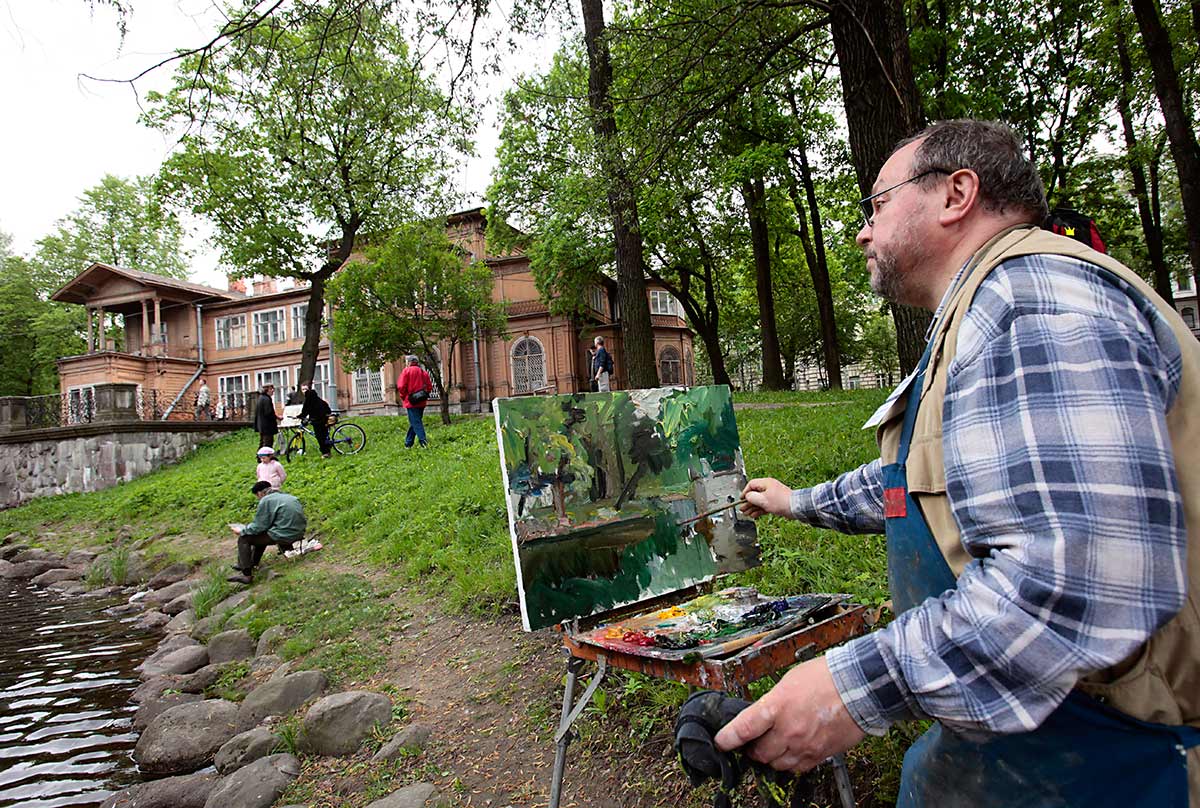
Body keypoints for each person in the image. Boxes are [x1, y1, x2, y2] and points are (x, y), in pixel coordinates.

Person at [715, 120, 1200, 806]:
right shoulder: (984, 309)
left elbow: (1079, 583)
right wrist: (799, 502)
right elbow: (916, 483)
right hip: (1031, 740)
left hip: (1118, 760)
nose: (862, 232)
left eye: (876, 205)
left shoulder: (1032, 300)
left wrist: (850, 689)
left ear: (956, 194)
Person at [228, 480, 307, 584]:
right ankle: (252, 564)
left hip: (284, 535)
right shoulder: (288, 497)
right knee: (260, 537)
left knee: (244, 538)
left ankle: (246, 574)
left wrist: (242, 530)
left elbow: (259, 526)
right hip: (299, 532)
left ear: (260, 493)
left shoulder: (266, 500)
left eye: (257, 496)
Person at [395, 354, 433, 448]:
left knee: (416, 422)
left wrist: (403, 396)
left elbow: (401, 386)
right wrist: (424, 394)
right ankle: (408, 443)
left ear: (409, 362)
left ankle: (423, 442)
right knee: (415, 421)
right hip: (421, 401)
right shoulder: (423, 372)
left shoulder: (406, 371)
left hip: (411, 401)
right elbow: (429, 386)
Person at [299, 380, 333, 458]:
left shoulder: (309, 397)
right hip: (322, 417)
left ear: (309, 389)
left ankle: (326, 453)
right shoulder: (314, 395)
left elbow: (306, 409)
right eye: (303, 389)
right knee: (324, 435)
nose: (304, 391)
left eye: (305, 389)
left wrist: (301, 416)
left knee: (320, 436)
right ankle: (327, 449)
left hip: (318, 419)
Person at [254, 384, 279, 450]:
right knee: (267, 443)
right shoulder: (266, 399)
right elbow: (269, 412)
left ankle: (260, 457)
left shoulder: (261, 398)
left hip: (262, 425)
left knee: (262, 442)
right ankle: (265, 457)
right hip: (267, 426)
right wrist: (275, 418)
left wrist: (277, 417)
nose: (273, 390)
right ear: (266, 390)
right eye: (271, 389)